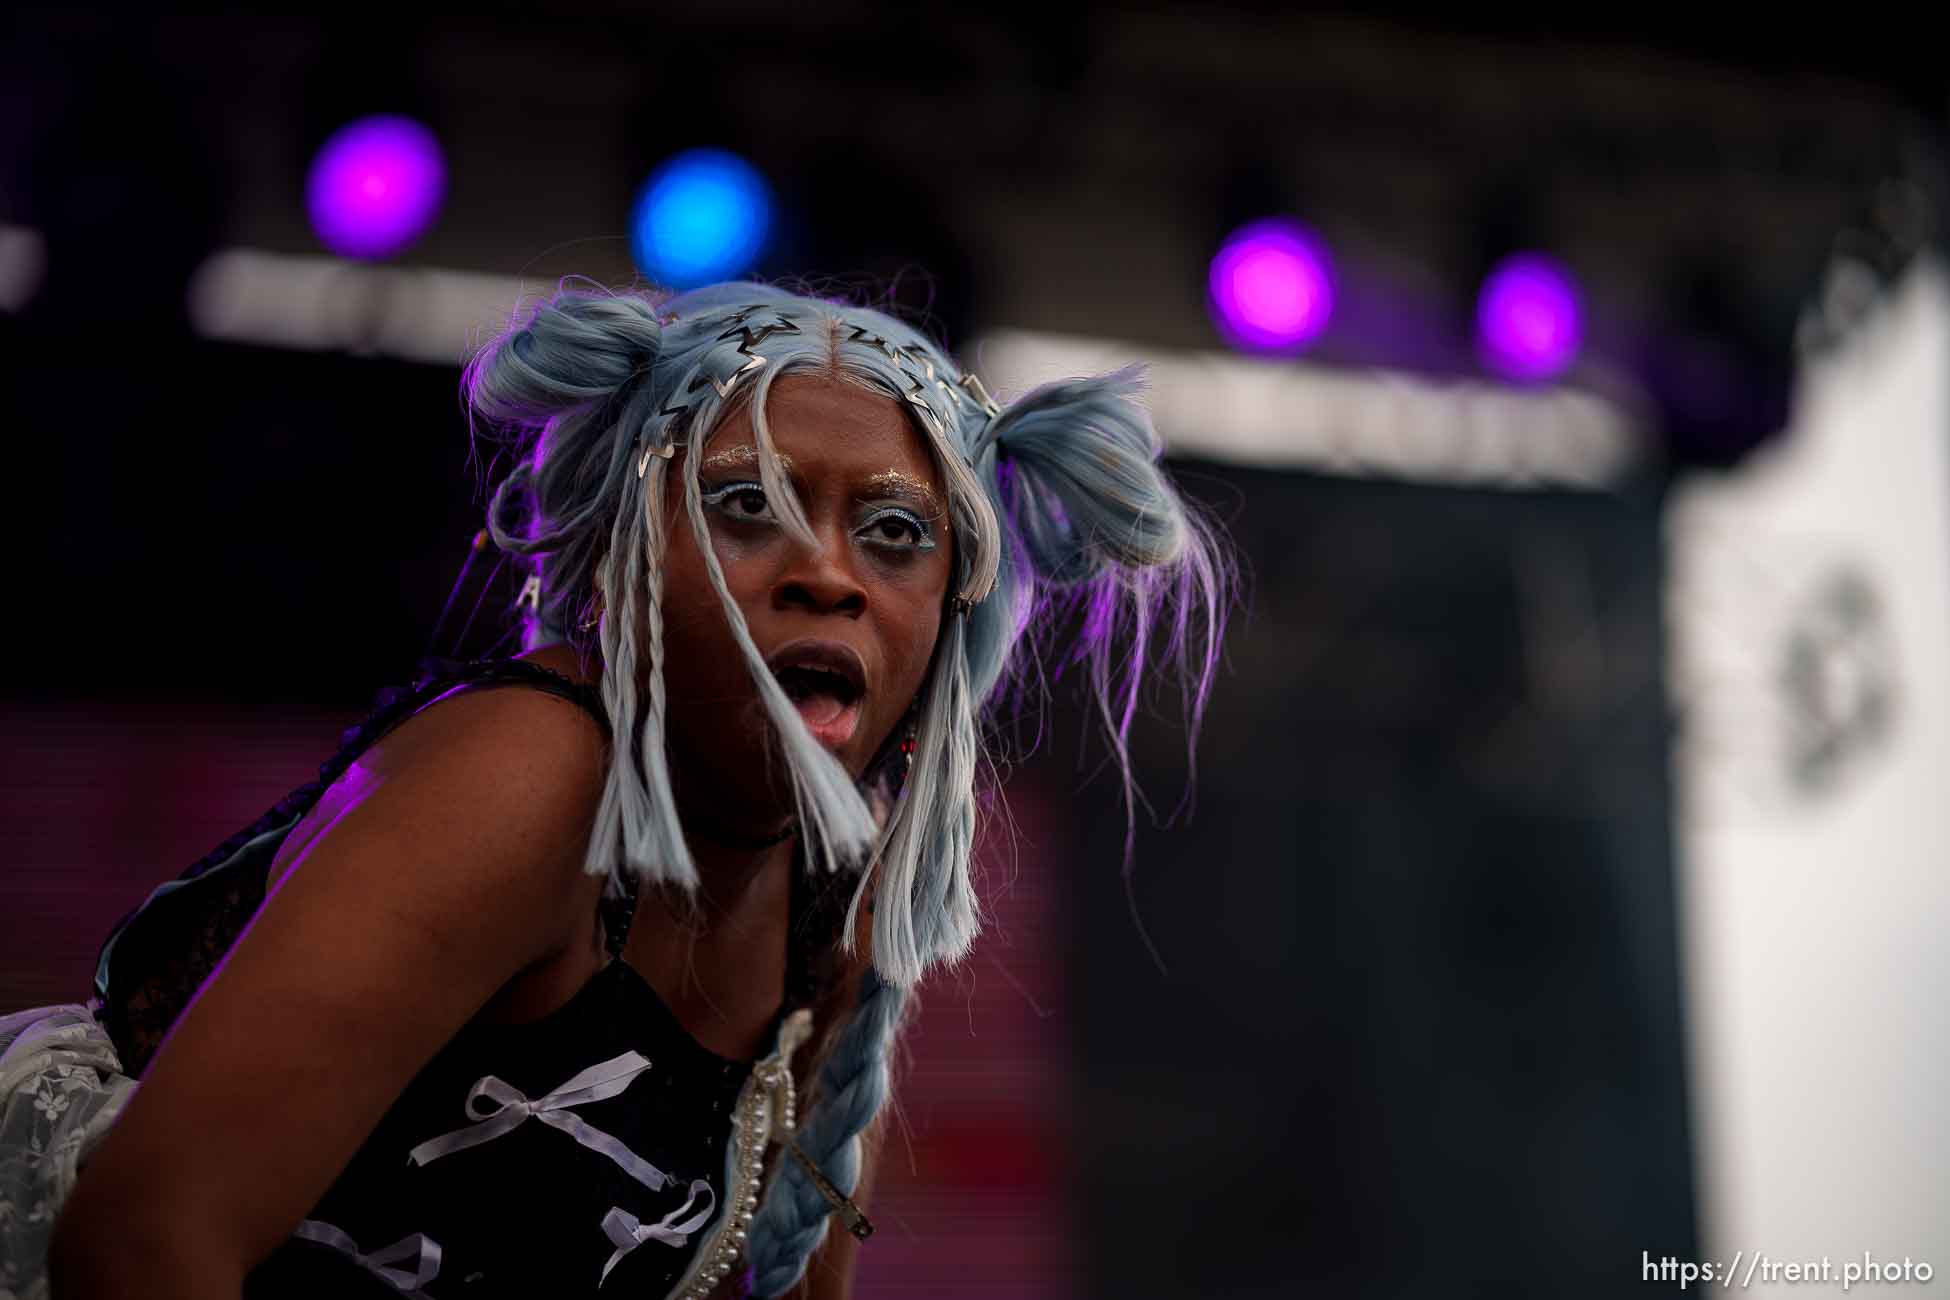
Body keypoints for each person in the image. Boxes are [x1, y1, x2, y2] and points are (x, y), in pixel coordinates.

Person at [1, 280, 1227, 1299]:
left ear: (950, 615)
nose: (827, 572)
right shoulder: (529, 778)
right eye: (746, 505)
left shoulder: (836, 908)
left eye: (896, 533)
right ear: (614, 564)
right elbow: (144, 1243)